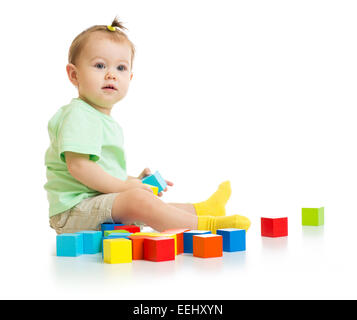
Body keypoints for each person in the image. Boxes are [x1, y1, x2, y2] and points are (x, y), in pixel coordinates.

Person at [44, 17, 251, 234]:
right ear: (74, 75)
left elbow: (103, 174)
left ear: (130, 77)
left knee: (149, 203)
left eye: (121, 67)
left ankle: (202, 210)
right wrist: (126, 188)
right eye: (99, 65)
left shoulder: (101, 120)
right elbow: (80, 167)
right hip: (73, 212)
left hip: (96, 203)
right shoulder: (79, 115)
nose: (111, 74)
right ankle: (206, 226)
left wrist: (134, 180)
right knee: (138, 201)